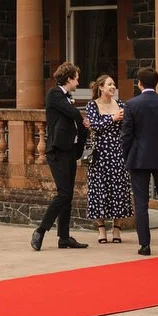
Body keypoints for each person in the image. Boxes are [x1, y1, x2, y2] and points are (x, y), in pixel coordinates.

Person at [31, 62, 89, 251]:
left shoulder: (67, 97)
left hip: (70, 151)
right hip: (57, 151)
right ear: (69, 78)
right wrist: (83, 118)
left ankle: (64, 237)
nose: (78, 82)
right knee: (63, 193)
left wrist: (83, 130)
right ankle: (41, 229)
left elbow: (77, 122)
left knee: (68, 194)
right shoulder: (55, 94)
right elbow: (72, 113)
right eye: (77, 78)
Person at [121, 67, 158, 256]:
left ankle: (145, 245)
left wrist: (126, 155)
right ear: (156, 83)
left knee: (141, 203)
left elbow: (126, 135)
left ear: (139, 83)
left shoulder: (131, 105)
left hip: (138, 157)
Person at [82, 74, 132, 243]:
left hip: (118, 152)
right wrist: (112, 118)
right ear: (101, 87)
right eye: (109, 84)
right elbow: (94, 125)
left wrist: (123, 120)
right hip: (99, 154)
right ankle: (101, 229)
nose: (113, 87)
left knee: (119, 188)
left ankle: (117, 229)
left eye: (114, 84)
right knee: (99, 189)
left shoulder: (121, 105)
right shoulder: (92, 105)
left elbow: (128, 127)